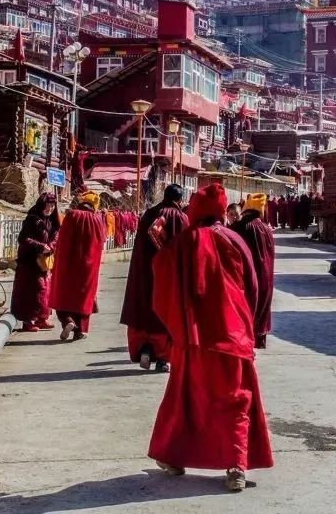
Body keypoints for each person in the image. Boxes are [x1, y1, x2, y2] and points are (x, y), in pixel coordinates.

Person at [148, 184, 274, 491]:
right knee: (235, 401)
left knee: (186, 399)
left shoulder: (181, 243)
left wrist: (161, 248)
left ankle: (174, 458)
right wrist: (249, 326)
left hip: (192, 340)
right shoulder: (234, 239)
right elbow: (254, 288)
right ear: (221, 211)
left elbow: (163, 287)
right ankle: (236, 467)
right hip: (232, 336)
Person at [121, 184, 188, 371]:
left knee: (146, 309)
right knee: (166, 312)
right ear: (179, 200)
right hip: (168, 276)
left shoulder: (149, 214)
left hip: (145, 273)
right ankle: (163, 358)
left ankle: (145, 349)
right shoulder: (180, 217)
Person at [49, 191, 108, 341]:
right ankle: (81, 330)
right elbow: (101, 242)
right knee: (84, 297)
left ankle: (68, 320)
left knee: (64, 294)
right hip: (89, 266)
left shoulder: (72, 215)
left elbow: (63, 240)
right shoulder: (97, 220)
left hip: (68, 263)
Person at [230, 193, 276, 349]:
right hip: (267, 277)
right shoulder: (266, 229)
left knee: (248, 307)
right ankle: (259, 339)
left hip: (249, 276)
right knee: (263, 305)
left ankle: (246, 341)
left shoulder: (242, 226)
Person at [11, 193, 60, 332]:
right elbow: (23, 239)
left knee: (44, 290)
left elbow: (56, 236)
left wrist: (50, 246)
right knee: (32, 291)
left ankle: (42, 318)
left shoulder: (51, 221)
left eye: (53, 206)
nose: (50, 208)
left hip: (44, 261)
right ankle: (28, 321)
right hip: (29, 261)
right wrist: (39, 246)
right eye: (48, 205)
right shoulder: (32, 220)